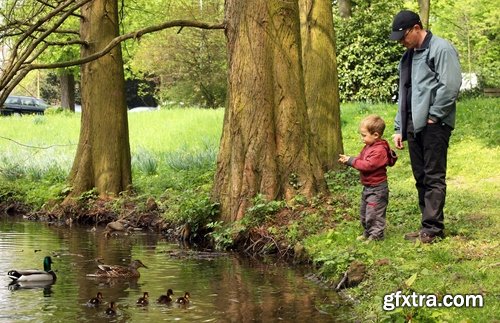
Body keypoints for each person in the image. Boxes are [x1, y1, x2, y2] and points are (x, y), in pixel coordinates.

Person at [389, 10, 461, 243]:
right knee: (420, 176)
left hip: (434, 124)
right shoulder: (408, 56)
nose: (401, 42)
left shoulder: (441, 48)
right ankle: (426, 225)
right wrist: (399, 127)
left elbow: (450, 85)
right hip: (413, 124)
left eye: (403, 36)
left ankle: (433, 229)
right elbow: (405, 92)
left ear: (417, 28)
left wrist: (434, 115)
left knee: (433, 176)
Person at [339, 115, 397, 241]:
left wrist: (351, 161)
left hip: (377, 189)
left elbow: (368, 165)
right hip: (368, 186)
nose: (362, 138)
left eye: (364, 135)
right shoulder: (369, 146)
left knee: (374, 213)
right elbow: (361, 159)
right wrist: (349, 159)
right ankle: (368, 232)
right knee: (365, 211)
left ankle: (376, 236)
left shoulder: (379, 150)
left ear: (376, 135)